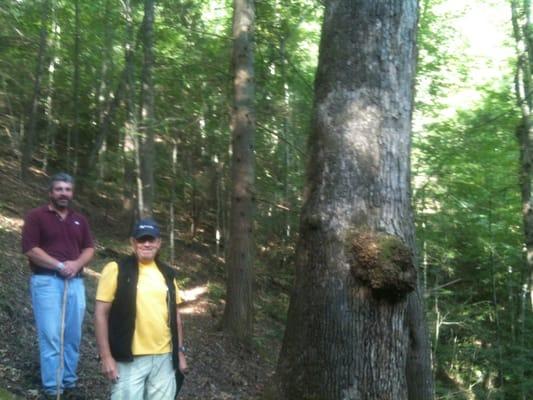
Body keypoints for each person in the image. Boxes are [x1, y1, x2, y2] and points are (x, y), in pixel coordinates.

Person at [95, 218, 187, 400]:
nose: (146, 244)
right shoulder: (116, 269)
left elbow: (175, 317)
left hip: (164, 358)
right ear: (132, 242)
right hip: (129, 359)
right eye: (141, 239)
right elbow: (100, 314)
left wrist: (180, 353)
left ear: (158, 243)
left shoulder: (168, 273)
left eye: (151, 240)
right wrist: (106, 357)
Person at [22, 172, 95, 399]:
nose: (64, 193)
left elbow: (89, 248)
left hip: (75, 283)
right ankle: (53, 387)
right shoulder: (36, 216)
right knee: (52, 335)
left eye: (67, 189)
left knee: (72, 335)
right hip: (46, 282)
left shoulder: (79, 220)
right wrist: (58, 265)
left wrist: (75, 265)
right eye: (59, 189)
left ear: (72, 193)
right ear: (50, 192)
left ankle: (69, 382)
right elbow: (31, 249)